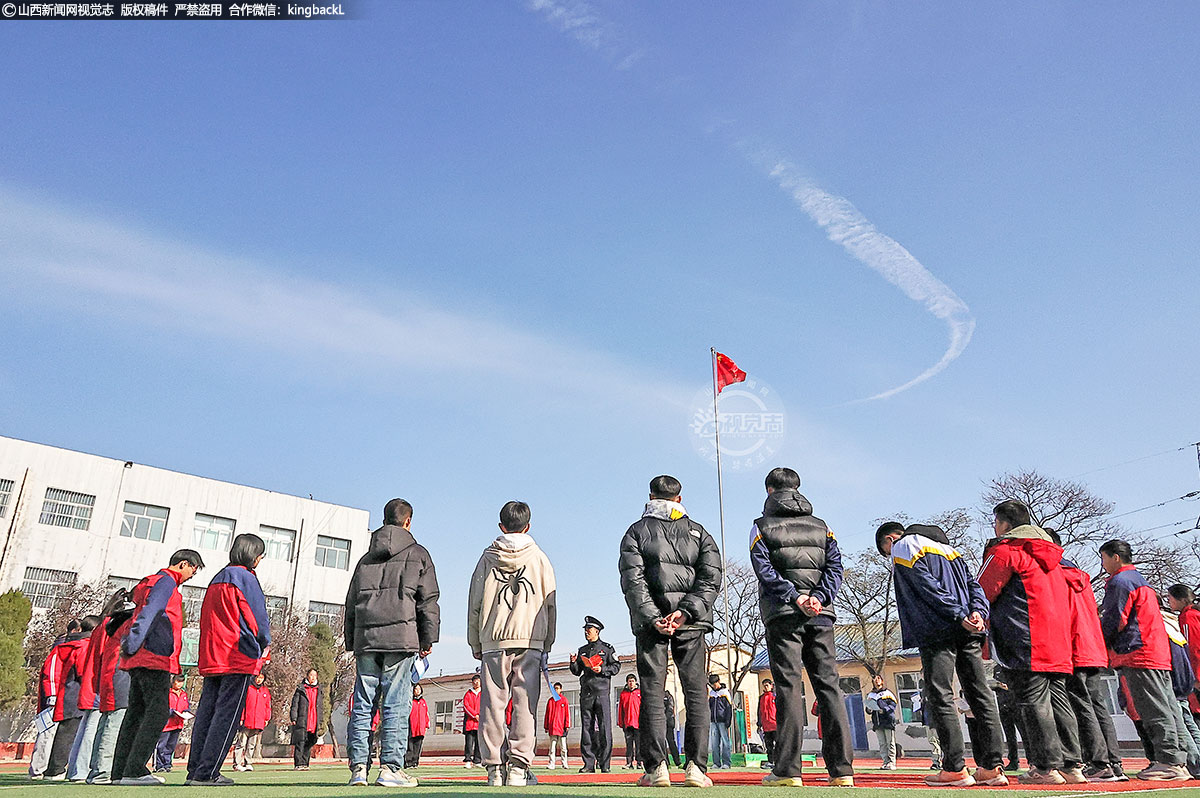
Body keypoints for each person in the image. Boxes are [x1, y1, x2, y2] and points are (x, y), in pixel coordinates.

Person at [877, 521, 1006, 786]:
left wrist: (957, 615)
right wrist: (978, 613)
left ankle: (955, 768)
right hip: (970, 628)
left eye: (886, 551)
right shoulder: (951, 550)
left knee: (941, 695)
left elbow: (926, 586)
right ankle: (992, 767)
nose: (891, 557)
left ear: (891, 540)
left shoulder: (904, 546)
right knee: (979, 693)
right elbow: (974, 586)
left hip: (937, 628)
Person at [619, 474, 723, 789]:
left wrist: (654, 617)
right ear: (679, 498)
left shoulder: (636, 532)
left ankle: (657, 769)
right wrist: (686, 611)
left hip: (651, 626)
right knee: (695, 694)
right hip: (690, 623)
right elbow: (711, 578)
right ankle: (695, 768)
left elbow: (633, 581)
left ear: (650, 496)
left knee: (651, 693)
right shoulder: (700, 533)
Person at [751, 468, 853, 787]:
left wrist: (794, 597)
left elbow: (763, 568)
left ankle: (788, 770)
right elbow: (836, 566)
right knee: (828, 686)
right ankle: (842, 771)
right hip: (821, 614)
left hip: (783, 613)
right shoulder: (823, 527)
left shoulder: (761, 526)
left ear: (769, 491)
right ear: (798, 489)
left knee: (788, 686)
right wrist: (819, 597)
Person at [978, 501, 1081, 785]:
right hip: (1057, 639)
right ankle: (1072, 765)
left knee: (1033, 703)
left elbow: (983, 590)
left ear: (1004, 524)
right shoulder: (1054, 557)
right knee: (1059, 701)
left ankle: (1046, 767)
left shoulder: (1006, 551)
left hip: (1025, 636)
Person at [344, 497, 441, 788]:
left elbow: (351, 602)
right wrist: (428, 639)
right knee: (396, 704)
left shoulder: (365, 558)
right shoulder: (419, 554)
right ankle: (390, 768)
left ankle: (358, 768)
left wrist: (352, 640)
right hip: (401, 639)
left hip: (367, 639)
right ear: (408, 521)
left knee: (363, 703)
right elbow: (428, 602)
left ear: (384, 520)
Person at [467, 500, 557, 787]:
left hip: (493, 638)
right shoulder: (540, 558)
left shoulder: (486, 558)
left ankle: (494, 767)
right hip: (530, 637)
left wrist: (474, 640)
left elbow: (475, 602)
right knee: (525, 703)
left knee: (492, 703)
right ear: (528, 526)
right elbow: (550, 602)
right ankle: (519, 767)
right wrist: (548, 640)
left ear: (500, 526)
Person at [111, 549, 204, 787]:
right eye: (193, 569)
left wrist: (131, 646)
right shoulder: (166, 583)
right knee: (158, 712)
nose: (193, 574)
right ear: (183, 564)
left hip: (142, 656)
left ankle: (120, 771)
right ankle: (135, 769)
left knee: (136, 713)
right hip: (153, 655)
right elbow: (150, 614)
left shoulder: (152, 583)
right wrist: (132, 643)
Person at [1099, 539, 1190, 780]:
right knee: (1169, 708)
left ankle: (1169, 761)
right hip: (1156, 652)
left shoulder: (1120, 582)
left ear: (1115, 557)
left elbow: (1115, 619)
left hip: (1137, 652)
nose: (1103, 564)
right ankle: (1180, 760)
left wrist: (1101, 644)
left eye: (1104, 558)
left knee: (1153, 709)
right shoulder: (1142, 582)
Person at [187, 533, 271, 786]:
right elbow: (257, 619)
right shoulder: (245, 578)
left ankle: (195, 770)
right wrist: (263, 643)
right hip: (237, 654)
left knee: (206, 713)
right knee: (227, 715)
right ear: (253, 556)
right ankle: (207, 772)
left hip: (213, 654)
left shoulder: (217, 578)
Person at [1050, 529, 1127, 782]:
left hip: (1073, 647)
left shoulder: (1053, 574)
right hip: (1093, 646)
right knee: (1096, 706)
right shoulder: (1079, 575)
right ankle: (1113, 762)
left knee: (1080, 705)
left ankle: (1098, 763)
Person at [88, 593, 135, 784]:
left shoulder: (108, 624)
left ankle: (97, 770)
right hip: (120, 675)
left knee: (107, 722)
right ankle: (103, 771)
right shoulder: (125, 625)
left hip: (110, 675)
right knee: (114, 724)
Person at [45, 616, 98, 781]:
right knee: (70, 733)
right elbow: (84, 671)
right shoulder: (84, 646)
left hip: (67, 692)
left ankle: (55, 769)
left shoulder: (70, 644)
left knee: (66, 731)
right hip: (77, 694)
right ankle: (56, 769)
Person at [29, 619, 79, 780]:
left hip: (64, 697)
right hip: (54, 698)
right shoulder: (60, 648)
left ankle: (50, 767)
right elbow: (50, 673)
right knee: (47, 733)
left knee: (58, 734)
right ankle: (38, 769)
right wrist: (52, 695)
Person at [570, 616, 620, 773]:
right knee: (586, 729)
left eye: (589, 630)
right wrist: (573, 662)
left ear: (597, 631)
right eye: (585, 630)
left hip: (602, 693)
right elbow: (577, 672)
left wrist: (602, 670)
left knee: (605, 728)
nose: (586, 632)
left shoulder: (607, 649)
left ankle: (605, 764)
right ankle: (588, 764)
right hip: (586, 693)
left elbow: (616, 666)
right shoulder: (582, 650)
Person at [68, 612, 105, 782]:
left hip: (88, 691)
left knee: (84, 731)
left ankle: (75, 770)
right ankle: (81, 771)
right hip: (94, 690)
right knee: (90, 731)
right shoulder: (89, 644)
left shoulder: (85, 643)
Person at [1168, 585, 1200, 724]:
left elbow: (1191, 648)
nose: (1169, 601)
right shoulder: (1194, 614)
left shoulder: (1188, 617)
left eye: (1170, 598)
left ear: (1181, 599)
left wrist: (1195, 677)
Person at [234, 673, 271, 772]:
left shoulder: (265, 691)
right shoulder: (248, 688)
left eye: (261, 678)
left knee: (251, 744)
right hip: (247, 720)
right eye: (258, 677)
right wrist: (241, 717)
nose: (259, 680)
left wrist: (267, 718)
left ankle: (248, 762)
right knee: (241, 743)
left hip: (258, 722)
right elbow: (242, 704)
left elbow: (267, 706)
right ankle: (237, 763)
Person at [154, 674, 189, 773]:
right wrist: (170, 712)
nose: (179, 684)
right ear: (173, 682)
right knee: (161, 746)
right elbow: (162, 706)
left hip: (177, 724)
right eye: (177, 681)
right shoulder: (167, 693)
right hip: (166, 724)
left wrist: (186, 712)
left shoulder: (183, 694)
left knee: (171, 746)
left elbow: (185, 706)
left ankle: (167, 764)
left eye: (181, 681)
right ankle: (159, 765)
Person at [865, 675, 898, 771]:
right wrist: (869, 709)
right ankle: (885, 762)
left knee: (890, 742)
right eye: (874, 679)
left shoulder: (887, 693)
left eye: (878, 678)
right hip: (877, 722)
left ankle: (892, 762)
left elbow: (893, 705)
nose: (876, 680)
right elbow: (868, 709)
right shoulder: (871, 695)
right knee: (882, 743)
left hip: (888, 720)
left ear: (882, 681)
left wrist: (884, 710)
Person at [992, 674, 1023, 771]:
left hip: (1015, 705)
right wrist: (996, 685)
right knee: (1009, 735)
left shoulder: (1012, 667)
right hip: (1003, 705)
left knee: (1025, 734)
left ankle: (1032, 760)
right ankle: (1013, 760)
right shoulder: (997, 669)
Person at [912, 689, 943, 770]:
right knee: (932, 741)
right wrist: (918, 703)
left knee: (935, 741)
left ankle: (937, 762)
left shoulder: (935, 689)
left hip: (934, 720)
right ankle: (938, 761)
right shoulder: (923, 691)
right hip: (927, 720)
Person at [708, 675, 733, 771]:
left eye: (715, 684)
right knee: (714, 743)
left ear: (718, 681)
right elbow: (709, 707)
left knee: (725, 743)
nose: (714, 686)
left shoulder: (725, 693)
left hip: (723, 721)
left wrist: (728, 721)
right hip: (713, 721)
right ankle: (716, 763)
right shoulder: (711, 693)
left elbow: (728, 708)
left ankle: (726, 763)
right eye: (712, 685)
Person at [544, 683, 570, 769]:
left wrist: (567, 725)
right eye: (554, 688)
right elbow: (547, 714)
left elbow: (567, 714)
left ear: (561, 689)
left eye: (557, 688)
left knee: (563, 747)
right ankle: (552, 763)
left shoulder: (564, 700)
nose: (556, 690)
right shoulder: (550, 701)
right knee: (552, 747)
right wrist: (546, 726)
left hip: (562, 728)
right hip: (552, 728)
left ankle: (564, 763)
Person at [619, 674, 642, 769]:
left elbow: (643, 708)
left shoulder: (639, 693)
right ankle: (629, 762)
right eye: (629, 681)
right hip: (627, 723)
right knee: (629, 744)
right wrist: (621, 722)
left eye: (632, 681)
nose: (631, 683)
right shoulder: (623, 694)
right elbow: (620, 709)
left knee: (639, 744)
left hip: (638, 723)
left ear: (635, 682)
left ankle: (639, 762)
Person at [405, 684, 429, 769]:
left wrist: (426, 724)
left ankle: (415, 762)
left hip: (421, 728)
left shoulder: (423, 702)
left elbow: (426, 714)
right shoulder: (410, 701)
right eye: (416, 689)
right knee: (410, 746)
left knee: (418, 747)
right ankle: (408, 762)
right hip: (411, 727)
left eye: (419, 689)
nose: (417, 691)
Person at [462, 674, 482, 767]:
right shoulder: (468, 693)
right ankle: (468, 760)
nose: (476, 683)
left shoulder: (484, 693)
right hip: (470, 723)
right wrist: (474, 715)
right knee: (469, 743)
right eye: (474, 681)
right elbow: (466, 706)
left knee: (479, 743)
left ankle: (477, 760)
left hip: (480, 723)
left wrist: (481, 715)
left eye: (478, 681)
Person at [757, 679, 777, 769]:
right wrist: (759, 724)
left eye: (767, 685)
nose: (765, 687)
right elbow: (759, 712)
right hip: (766, 725)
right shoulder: (761, 698)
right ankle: (770, 761)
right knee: (769, 745)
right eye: (764, 685)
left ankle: (778, 761)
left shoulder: (775, 696)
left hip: (775, 724)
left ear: (771, 686)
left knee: (778, 744)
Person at [663, 692, 682, 768]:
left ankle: (677, 762)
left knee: (671, 742)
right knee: (662, 742)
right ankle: (666, 762)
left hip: (668, 722)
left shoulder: (668, 696)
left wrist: (664, 718)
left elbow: (670, 709)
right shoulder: (657, 696)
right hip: (660, 723)